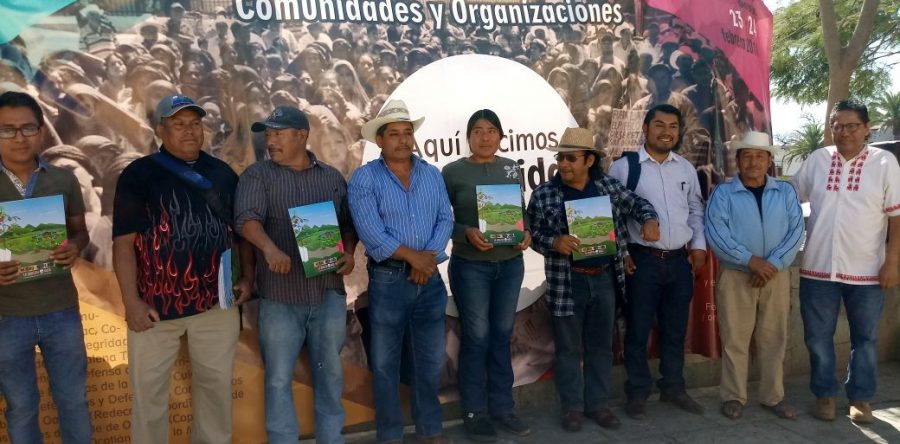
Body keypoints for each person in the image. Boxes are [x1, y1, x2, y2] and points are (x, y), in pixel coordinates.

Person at [112, 95, 254, 444]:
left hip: (215, 306)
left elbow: (241, 235)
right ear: (161, 129)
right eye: (178, 124)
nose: (189, 131)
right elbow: (123, 245)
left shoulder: (221, 173)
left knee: (216, 392)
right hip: (155, 310)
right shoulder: (138, 174)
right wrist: (131, 302)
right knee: (149, 398)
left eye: (194, 123)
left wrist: (248, 278)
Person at [234, 106, 358, 444]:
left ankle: (332, 439)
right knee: (277, 379)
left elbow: (348, 225)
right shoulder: (257, 176)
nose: (270, 141)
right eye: (268, 135)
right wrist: (270, 249)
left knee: (330, 375)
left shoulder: (331, 177)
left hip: (328, 294)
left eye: (277, 134)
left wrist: (347, 253)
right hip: (280, 298)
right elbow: (246, 220)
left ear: (301, 136)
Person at [528, 127, 659, 432]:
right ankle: (572, 408)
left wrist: (649, 220)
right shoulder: (545, 193)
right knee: (568, 348)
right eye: (561, 158)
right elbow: (531, 234)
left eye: (571, 158)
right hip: (567, 280)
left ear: (589, 160)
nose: (563, 164)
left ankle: (598, 405)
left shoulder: (608, 187)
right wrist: (553, 242)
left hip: (603, 279)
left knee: (601, 346)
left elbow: (639, 205)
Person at [348, 100, 453, 444]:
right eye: (394, 134)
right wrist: (416, 260)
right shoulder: (364, 178)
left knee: (429, 362)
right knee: (385, 365)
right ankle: (390, 435)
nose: (403, 140)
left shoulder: (431, 174)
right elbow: (370, 232)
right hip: (389, 280)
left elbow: (445, 219)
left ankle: (430, 430)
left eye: (408, 133)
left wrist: (428, 259)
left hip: (430, 280)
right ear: (380, 141)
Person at [791, 99, 900, 424]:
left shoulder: (885, 163)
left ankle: (861, 399)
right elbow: (790, 196)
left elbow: (897, 218)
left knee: (865, 339)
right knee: (816, 337)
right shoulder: (817, 160)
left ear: (867, 128)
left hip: (866, 271)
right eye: (837, 125)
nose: (843, 132)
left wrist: (893, 262)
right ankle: (825, 394)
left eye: (852, 125)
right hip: (818, 267)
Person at [0, 91, 91, 443]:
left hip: (61, 311)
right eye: (7, 130)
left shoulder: (64, 179)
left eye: (27, 128)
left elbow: (80, 231)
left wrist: (75, 248)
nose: (19, 137)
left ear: (41, 131)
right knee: (21, 406)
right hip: (8, 316)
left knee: (73, 402)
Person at [608, 104, 707, 419]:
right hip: (642, 262)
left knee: (675, 330)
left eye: (673, 126)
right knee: (637, 330)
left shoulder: (686, 169)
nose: (667, 132)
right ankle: (637, 392)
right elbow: (612, 218)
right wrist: (622, 254)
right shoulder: (624, 168)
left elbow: (695, 208)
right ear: (646, 128)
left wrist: (699, 246)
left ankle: (673, 388)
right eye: (660, 125)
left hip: (679, 262)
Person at [441, 109, 533, 442]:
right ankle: (474, 412)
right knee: (477, 337)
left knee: (501, 334)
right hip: (471, 267)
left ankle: (503, 409)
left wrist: (527, 233)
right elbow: (440, 219)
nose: (485, 137)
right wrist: (464, 231)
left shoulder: (510, 167)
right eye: (477, 131)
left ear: (501, 135)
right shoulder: (452, 172)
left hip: (510, 264)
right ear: (468, 136)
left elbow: (519, 212)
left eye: (491, 130)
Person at [704, 131, 804, 420]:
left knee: (775, 338)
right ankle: (734, 396)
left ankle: (773, 397)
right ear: (737, 160)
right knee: (735, 338)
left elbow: (796, 231)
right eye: (746, 155)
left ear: (769, 161)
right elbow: (716, 233)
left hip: (776, 275)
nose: (753, 161)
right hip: (737, 276)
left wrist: (771, 263)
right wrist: (750, 261)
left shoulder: (785, 192)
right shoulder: (723, 193)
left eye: (760, 156)